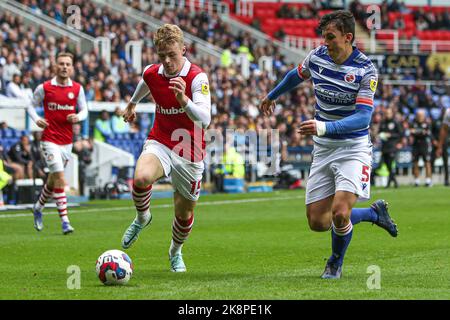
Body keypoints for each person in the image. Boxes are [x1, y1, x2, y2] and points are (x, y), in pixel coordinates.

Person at [259, 10, 398, 279]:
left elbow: (363, 117)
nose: (325, 43)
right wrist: (272, 95)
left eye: (331, 37)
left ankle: (335, 262)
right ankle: (372, 214)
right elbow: (295, 75)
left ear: (348, 38)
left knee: (339, 213)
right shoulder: (317, 57)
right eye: (323, 37)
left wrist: (324, 126)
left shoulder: (365, 70)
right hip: (324, 149)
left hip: (353, 148)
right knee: (317, 222)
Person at [120, 24, 211, 272]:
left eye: (172, 55)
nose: (168, 61)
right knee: (141, 178)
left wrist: (184, 100)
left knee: (183, 214)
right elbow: (146, 82)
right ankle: (142, 218)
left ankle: (175, 251)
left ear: (184, 49)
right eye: (162, 56)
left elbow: (205, 119)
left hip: (190, 150)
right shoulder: (153, 73)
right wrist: (132, 104)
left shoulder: (197, 77)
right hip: (161, 139)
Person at [26, 52, 88, 234]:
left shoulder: (77, 89)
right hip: (49, 139)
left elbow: (85, 109)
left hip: (67, 141)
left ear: (72, 67)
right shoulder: (45, 87)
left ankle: (38, 207)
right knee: (60, 177)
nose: (64, 67)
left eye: (68, 64)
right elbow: (30, 105)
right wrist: (37, 119)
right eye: (61, 63)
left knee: (53, 181)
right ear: (55, 66)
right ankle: (65, 222)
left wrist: (78, 116)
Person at [378, 108, 403, 188]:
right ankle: (394, 182)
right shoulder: (383, 123)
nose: (387, 115)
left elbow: (400, 134)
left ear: (392, 114)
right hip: (384, 146)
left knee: (390, 163)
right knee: (387, 164)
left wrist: (391, 135)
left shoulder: (395, 123)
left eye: (389, 113)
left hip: (392, 146)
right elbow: (379, 132)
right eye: (386, 113)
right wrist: (381, 135)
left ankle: (389, 183)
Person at [411, 109, 433, 187]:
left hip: (424, 145)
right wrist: (421, 132)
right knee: (415, 163)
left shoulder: (427, 123)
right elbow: (411, 132)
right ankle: (416, 181)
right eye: (418, 115)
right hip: (416, 145)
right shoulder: (413, 123)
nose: (419, 117)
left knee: (427, 162)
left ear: (424, 116)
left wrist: (417, 132)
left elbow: (427, 133)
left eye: (421, 115)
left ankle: (428, 180)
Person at [436, 108, 450, 186]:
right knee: (445, 159)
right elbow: (444, 129)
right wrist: (440, 146)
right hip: (447, 137)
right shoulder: (448, 112)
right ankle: (446, 179)